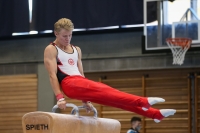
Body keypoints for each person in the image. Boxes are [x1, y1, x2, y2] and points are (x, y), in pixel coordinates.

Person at [44, 18, 176, 123]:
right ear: (56, 33)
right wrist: (60, 97)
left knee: (115, 99)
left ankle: (154, 114)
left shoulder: (76, 49)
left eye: (70, 35)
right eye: (64, 36)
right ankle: (142, 101)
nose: (67, 39)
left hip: (81, 83)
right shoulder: (51, 49)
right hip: (69, 84)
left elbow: (81, 75)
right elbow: (52, 75)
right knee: (108, 91)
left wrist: (86, 100)